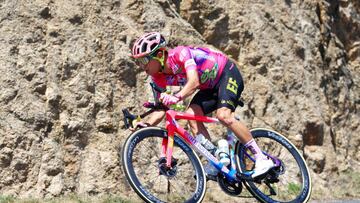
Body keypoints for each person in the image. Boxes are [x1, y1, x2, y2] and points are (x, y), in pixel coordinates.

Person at [130, 32, 274, 178]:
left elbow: (194, 82)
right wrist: (145, 125)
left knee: (223, 115)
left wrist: (176, 97)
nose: (142, 66)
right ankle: (217, 160)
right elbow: (161, 109)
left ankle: (262, 158)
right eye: (138, 62)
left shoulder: (180, 54)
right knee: (191, 116)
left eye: (144, 60)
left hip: (226, 73)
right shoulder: (157, 77)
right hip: (209, 88)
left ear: (159, 54)